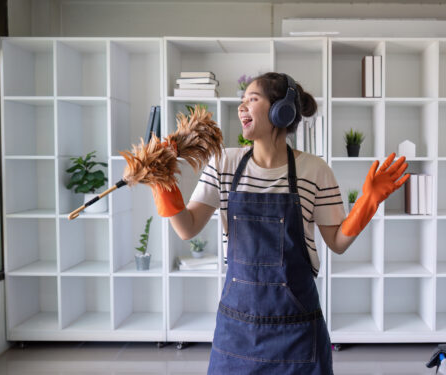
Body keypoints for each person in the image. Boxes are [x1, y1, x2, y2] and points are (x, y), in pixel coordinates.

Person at [151, 72, 409, 374]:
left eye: (252, 99)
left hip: (297, 332)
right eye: (242, 100)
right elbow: (187, 227)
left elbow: (337, 243)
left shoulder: (315, 170)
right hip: (237, 331)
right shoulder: (224, 163)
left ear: (280, 110)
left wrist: (369, 202)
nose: (242, 107)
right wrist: (160, 178)